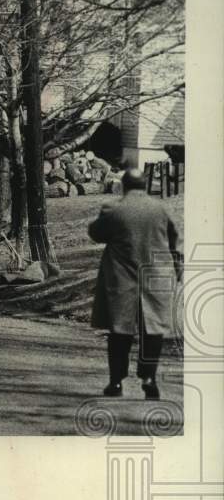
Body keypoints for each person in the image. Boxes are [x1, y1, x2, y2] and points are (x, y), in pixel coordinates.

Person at [88, 168, 181, 400]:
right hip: (157, 275)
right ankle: (149, 379)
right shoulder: (161, 208)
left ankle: (116, 381)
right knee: (153, 329)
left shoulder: (113, 209)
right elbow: (174, 240)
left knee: (120, 329)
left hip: (122, 276)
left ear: (124, 186)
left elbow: (97, 234)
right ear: (145, 185)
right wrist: (177, 268)